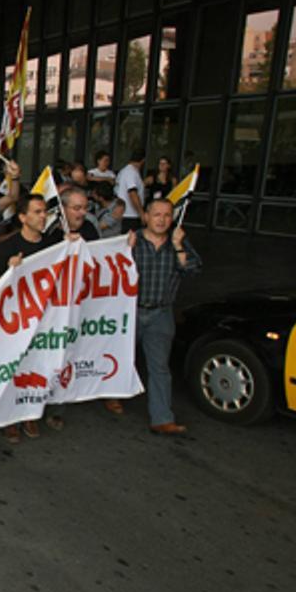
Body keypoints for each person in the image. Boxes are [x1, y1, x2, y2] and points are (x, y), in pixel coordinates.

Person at [0, 194, 61, 443]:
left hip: (45, 319)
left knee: (39, 365)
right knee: (13, 368)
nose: (43, 217)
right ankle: (10, 417)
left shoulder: (54, 246)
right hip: (15, 320)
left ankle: (30, 412)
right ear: (22, 217)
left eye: (45, 212)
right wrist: (10, 272)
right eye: (38, 212)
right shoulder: (7, 248)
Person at [127, 199, 202, 435]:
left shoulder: (177, 242)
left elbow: (193, 270)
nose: (161, 219)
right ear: (146, 216)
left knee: (159, 367)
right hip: (130, 311)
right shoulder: (131, 240)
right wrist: (123, 250)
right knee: (120, 358)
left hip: (161, 314)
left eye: (167, 215)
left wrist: (179, 246)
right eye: (156, 214)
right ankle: (112, 396)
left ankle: (161, 418)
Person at [116, 150, 146, 233]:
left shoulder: (124, 171)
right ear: (143, 160)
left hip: (126, 214)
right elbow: (132, 193)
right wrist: (141, 213)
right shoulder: (131, 172)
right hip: (130, 215)